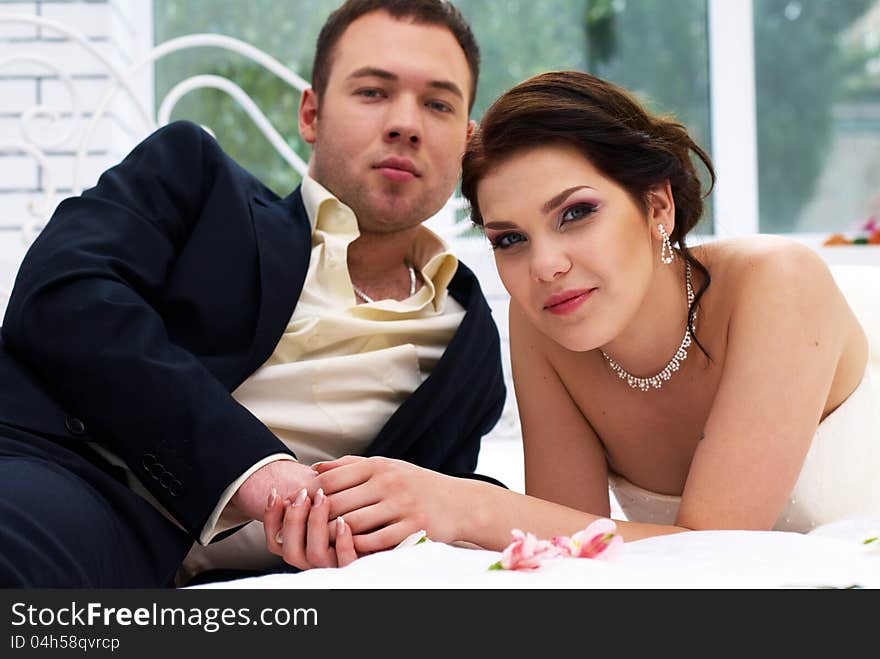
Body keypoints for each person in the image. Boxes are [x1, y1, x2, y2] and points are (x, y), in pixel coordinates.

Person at [272, 69, 880, 565]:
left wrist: (462, 506)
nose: (545, 266)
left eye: (575, 213)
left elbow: (716, 551)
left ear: (657, 204)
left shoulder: (778, 282)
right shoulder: (546, 325)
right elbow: (568, 548)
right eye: (509, 239)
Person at [0, 0, 506, 588]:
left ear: (467, 141)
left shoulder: (468, 341)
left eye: (438, 104)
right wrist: (251, 471)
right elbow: (63, 302)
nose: (405, 123)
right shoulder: (192, 178)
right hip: (75, 482)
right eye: (372, 92)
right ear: (311, 114)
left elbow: (428, 511)